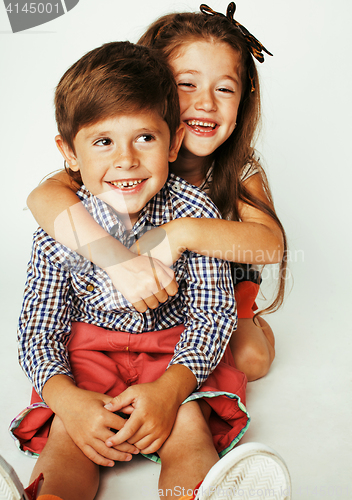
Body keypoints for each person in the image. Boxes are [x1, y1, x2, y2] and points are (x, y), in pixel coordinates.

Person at [7, 40, 291, 500]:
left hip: (172, 348)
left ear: (173, 139)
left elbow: (210, 315)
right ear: (70, 153)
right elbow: (40, 324)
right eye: (104, 142)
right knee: (69, 435)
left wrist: (171, 391)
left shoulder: (198, 207)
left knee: (188, 425)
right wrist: (67, 400)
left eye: (145, 138)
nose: (125, 160)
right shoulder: (65, 221)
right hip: (91, 353)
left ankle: (196, 493)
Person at [26, 2, 288, 383]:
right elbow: (42, 198)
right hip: (140, 293)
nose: (205, 103)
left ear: (242, 101)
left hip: (219, 287)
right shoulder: (119, 162)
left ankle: (247, 315)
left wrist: (180, 233)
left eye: (225, 89)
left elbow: (269, 245)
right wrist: (119, 262)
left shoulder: (238, 169)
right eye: (187, 84)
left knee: (251, 361)